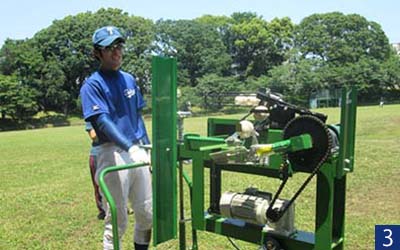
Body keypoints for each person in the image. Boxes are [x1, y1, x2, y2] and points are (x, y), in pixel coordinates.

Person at [80, 26, 152, 250]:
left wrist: (146, 146)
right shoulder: (92, 84)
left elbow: (137, 116)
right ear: (97, 53)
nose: (116, 52)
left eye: (119, 46)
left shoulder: (129, 79)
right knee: (118, 220)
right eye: (109, 48)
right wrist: (130, 147)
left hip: (137, 150)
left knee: (147, 213)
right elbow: (102, 121)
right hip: (112, 153)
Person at [85, 122, 106, 220]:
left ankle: (120, 206)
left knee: (117, 181)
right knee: (98, 184)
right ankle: (103, 210)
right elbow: (93, 136)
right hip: (97, 154)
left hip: (113, 153)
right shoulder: (91, 118)